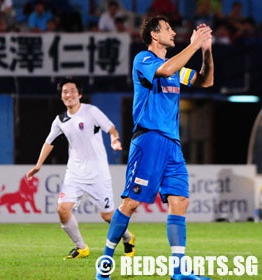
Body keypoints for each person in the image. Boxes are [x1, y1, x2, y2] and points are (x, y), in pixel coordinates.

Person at [96, 15, 214, 280]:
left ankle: (178, 270)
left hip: (172, 143)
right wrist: (194, 45)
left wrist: (206, 52)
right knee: (131, 202)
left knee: (180, 200)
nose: (174, 32)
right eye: (169, 29)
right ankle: (105, 262)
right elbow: (166, 71)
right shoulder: (144, 60)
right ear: (154, 35)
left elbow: (205, 81)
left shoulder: (174, 65)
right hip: (148, 139)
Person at [26, 76, 135, 260]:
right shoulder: (60, 120)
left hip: (98, 174)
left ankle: (128, 237)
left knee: (108, 216)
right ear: (61, 97)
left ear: (80, 94)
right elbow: (49, 142)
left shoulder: (91, 112)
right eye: (65, 92)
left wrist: (114, 139)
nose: (69, 95)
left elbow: (111, 128)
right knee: (62, 209)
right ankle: (81, 247)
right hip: (74, 174)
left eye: (72, 91)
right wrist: (38, 165)